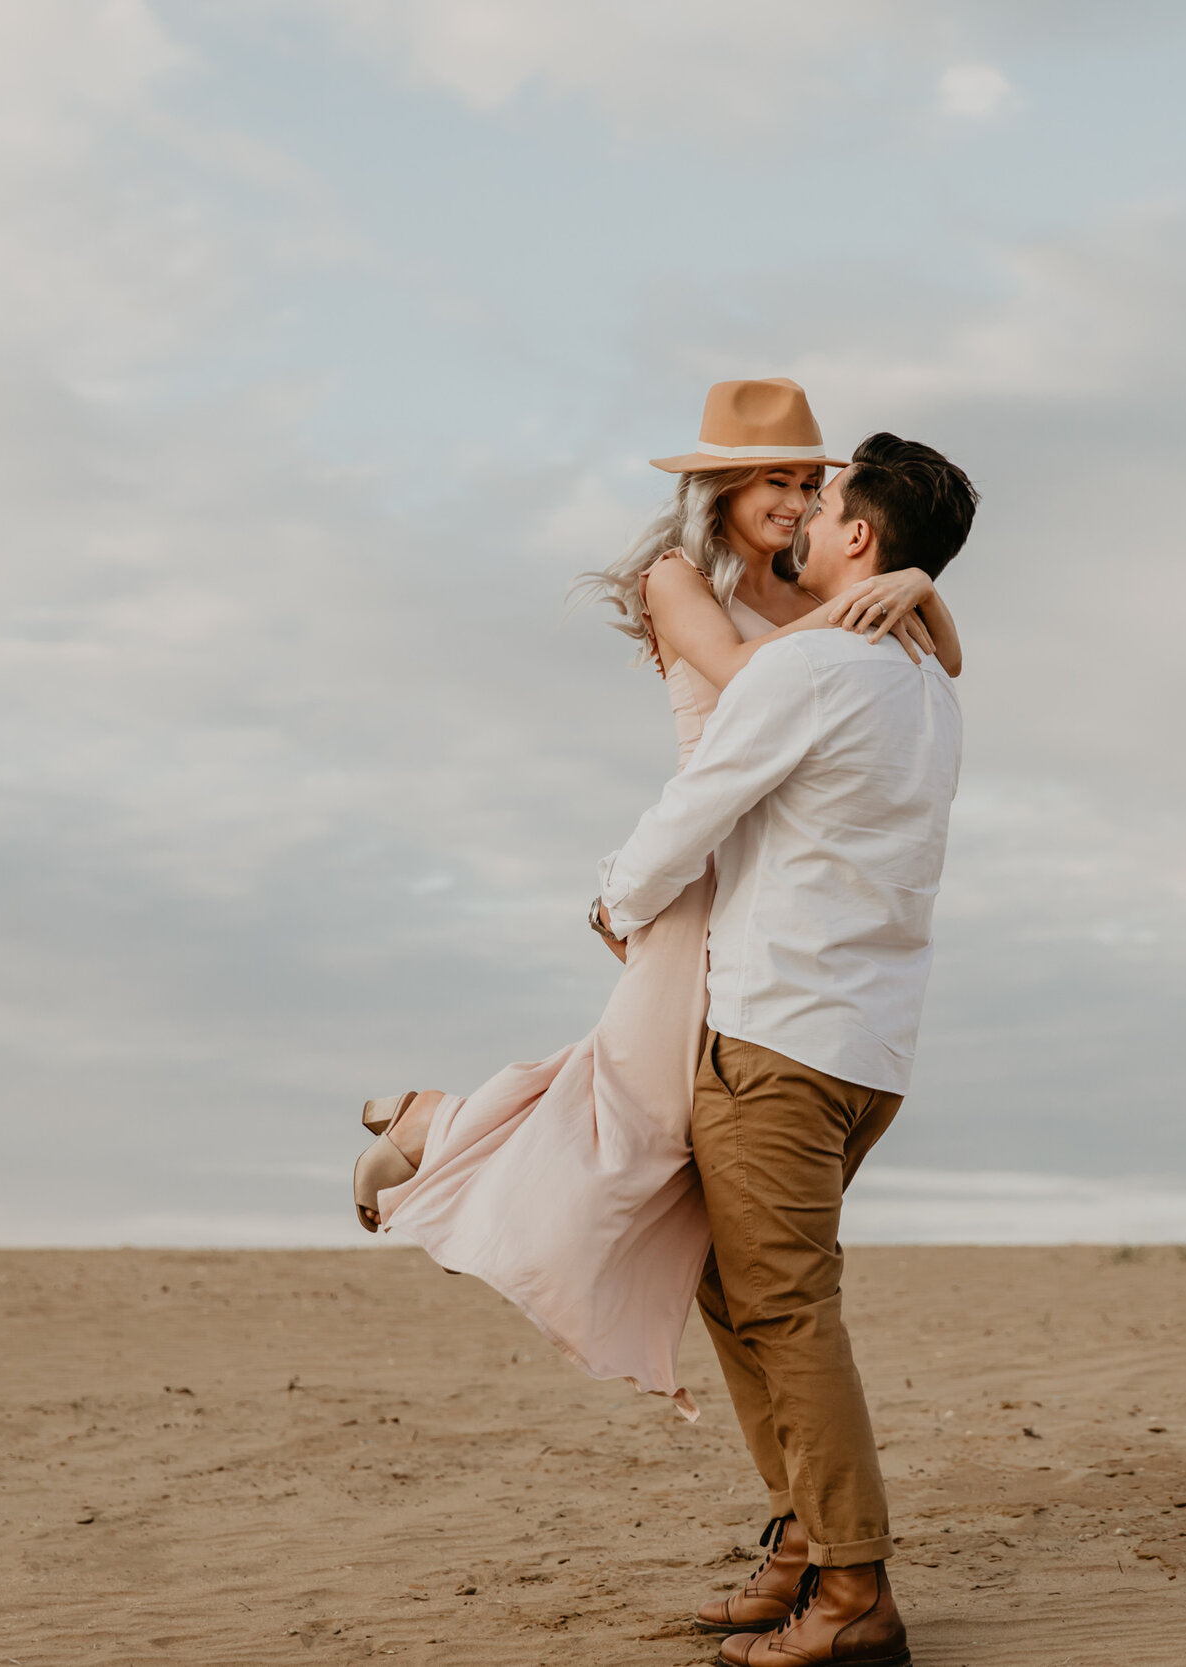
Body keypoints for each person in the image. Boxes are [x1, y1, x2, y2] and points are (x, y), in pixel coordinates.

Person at [349, 380, 963, 1419]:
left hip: (768, 876)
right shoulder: (678, 576)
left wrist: (914, 590)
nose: (794, 497)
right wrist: (888, 597)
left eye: (810, 482)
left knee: (651, 1117)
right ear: (721, 485)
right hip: (690, 873)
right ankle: (436, 1129)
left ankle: (439, 1124)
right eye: (774, 477)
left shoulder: (818, 593)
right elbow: (739, 671)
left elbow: (938, 664)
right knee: (636, 1116)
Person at [595, 433, 975, 1666]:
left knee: (787, 1307)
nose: (804, 518)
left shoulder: (812, 669)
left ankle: (853, 1589)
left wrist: (613, 900)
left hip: (776, 1037)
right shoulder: (924, 678)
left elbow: (693, 809)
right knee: (729, 1280)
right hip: (868, 1048)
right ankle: (805, 1541)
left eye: (824, 506)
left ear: (860, 539)